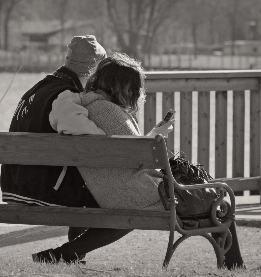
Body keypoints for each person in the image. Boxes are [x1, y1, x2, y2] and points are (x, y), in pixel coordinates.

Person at [46, 52, 245, 269]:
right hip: (136, 194)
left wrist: (153, 138)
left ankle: (62, 254)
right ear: (124, 87)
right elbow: (144, 157)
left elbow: (132, 150)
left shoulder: (88, 106)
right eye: (135, 88)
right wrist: (158, 139)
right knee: (220, 203)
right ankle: (234, 267)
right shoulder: (110, 112)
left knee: (209, 199)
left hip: (110, 191)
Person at [0, 35, 108, 264]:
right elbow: (94, 138)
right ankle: (67, 255)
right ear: (93, 71)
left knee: (84, 183)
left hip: (15, 182)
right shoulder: (66, 95)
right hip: (38, 189)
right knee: (111, 198)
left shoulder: (39, 88)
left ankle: (73, 256)